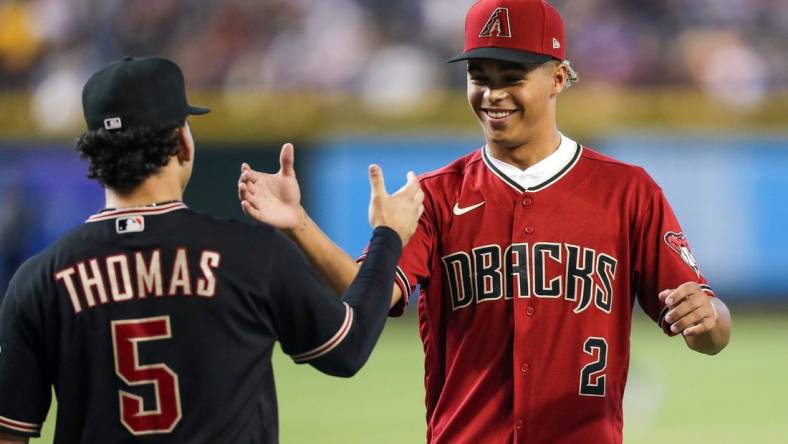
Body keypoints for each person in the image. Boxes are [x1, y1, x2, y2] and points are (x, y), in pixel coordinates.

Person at [237, 0, 732, 443]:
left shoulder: (627, 191)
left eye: (511, 76)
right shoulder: (434, 194)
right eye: (481, 76)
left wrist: (708, 319)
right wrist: (297, 223)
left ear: (558, 77)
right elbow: (368, 293)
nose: (493, 94)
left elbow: (711, 330)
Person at [0, 56, 424, 444]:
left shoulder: (38, 280)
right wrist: (387, 236)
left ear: (94, 154)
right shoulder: (250, 254)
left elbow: (9, 433)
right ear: (182, 143)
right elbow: (347, 349)